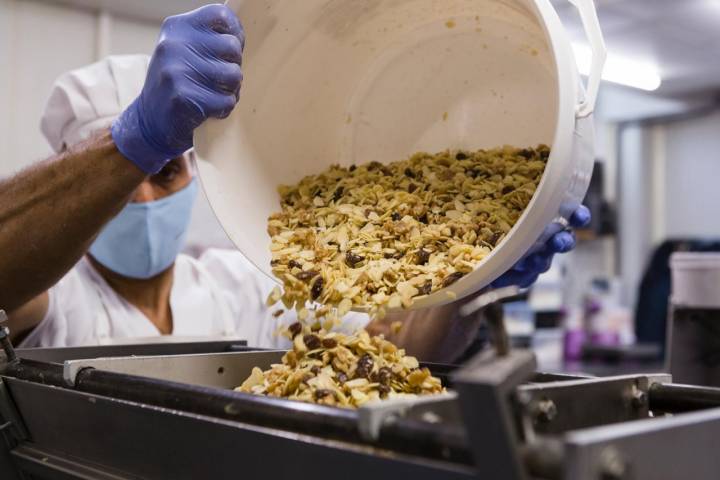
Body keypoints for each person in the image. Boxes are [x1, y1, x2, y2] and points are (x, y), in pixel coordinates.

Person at [0, 5, 589, 361]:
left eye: (164, 171)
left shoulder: (242, 286)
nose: (146, 197)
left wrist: (470, 285)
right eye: (122, 186)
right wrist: (133, 142)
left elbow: (397, 347)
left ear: (191, 173)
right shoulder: (57, 301)